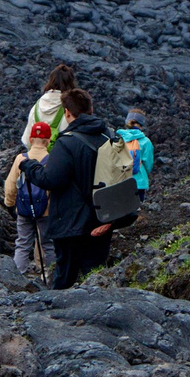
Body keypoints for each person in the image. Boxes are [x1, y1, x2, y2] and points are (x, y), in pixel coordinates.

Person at [31, 86, 118, 289]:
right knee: (95, 275)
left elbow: (51, 179)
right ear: (91, 108)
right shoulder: (110, 136)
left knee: (65, 277)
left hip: (71, 223)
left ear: (67, 113)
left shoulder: (67, 143)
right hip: (102, 219)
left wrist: (31, 167)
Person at [3, 120, 56, 277]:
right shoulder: (51, 160)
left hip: (24, 209)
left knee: (23, 243)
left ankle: (18, 276)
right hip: (45, 211)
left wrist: (9, 203)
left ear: (31, 139)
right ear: (48, 141)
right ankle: (49, 274)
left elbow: (11, 184)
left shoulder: (21, 159)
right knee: (47, 244)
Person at [23, 63, 79, 148]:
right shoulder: (72, 109)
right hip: (62, 158)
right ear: (71, 83)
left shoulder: (36, 107)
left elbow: (27, 142)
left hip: (37, 159)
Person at [116, 108, 155, 197]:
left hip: (120, 181)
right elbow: (148, 164)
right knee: (136, 208)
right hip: (139, 183)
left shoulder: (118, 139)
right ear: (141, 124)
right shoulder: (146, 141)